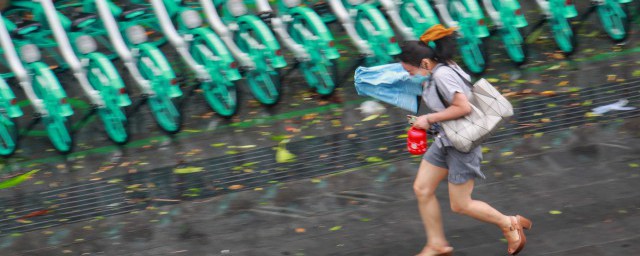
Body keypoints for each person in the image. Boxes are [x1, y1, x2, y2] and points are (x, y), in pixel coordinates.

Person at [398, 24, 532, 256]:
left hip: (461, 145)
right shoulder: (440, 66)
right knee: (422, 188)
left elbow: (462, 107)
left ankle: (509, 223)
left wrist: (429, 118)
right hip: (445, 139)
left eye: (410, 71)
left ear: (425, 64)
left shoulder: (442, 76)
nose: (409, 75)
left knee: (460, 204)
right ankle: (437, 244)